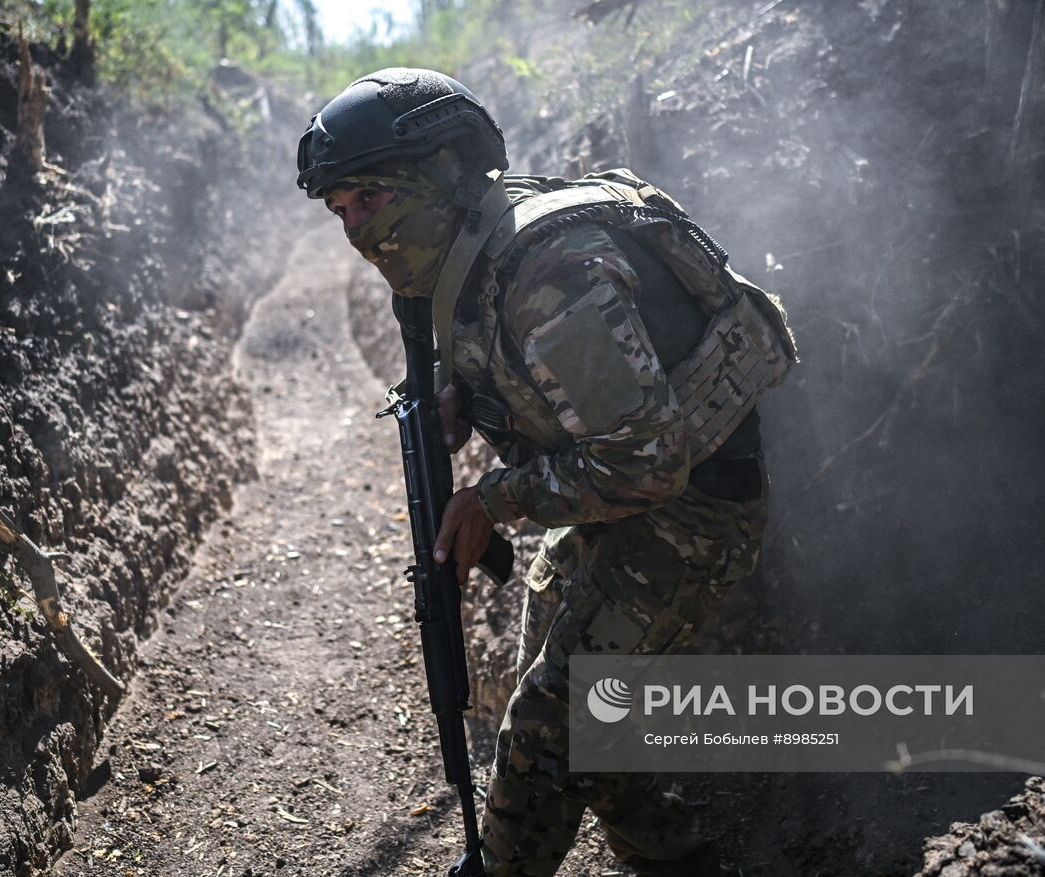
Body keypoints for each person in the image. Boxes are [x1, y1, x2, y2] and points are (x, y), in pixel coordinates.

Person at [296, 67, 795, 876]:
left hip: (691, 512)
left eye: (371, 198)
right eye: (339, 209)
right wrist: (470, 399)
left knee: (547, 725)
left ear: (440, 174)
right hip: (621, 503)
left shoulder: (549, 272)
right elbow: (541, 376)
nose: (354, 228)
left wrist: (495, 498)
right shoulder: (477, 243)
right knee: (569, 701)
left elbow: (647, 461)